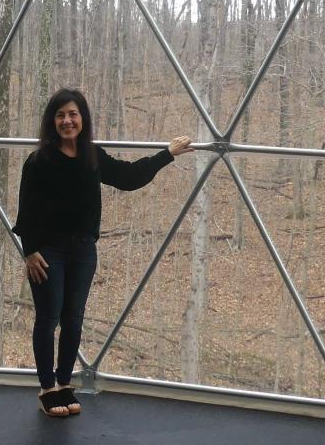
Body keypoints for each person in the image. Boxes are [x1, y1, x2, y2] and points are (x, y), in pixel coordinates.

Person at [12, 87, 192, 418]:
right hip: (48, 252)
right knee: (48, 317)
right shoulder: (39, 161)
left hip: (83, 251)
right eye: (61, 115)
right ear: (52, 121)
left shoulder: (92, 156)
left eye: (73, 114)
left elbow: (128, 177)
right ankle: (47, 388)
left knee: (73, 318)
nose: (67, 121)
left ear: (83, 119)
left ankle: (65, 384)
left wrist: (167, 153)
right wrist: (30, 250)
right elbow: (27, 209)